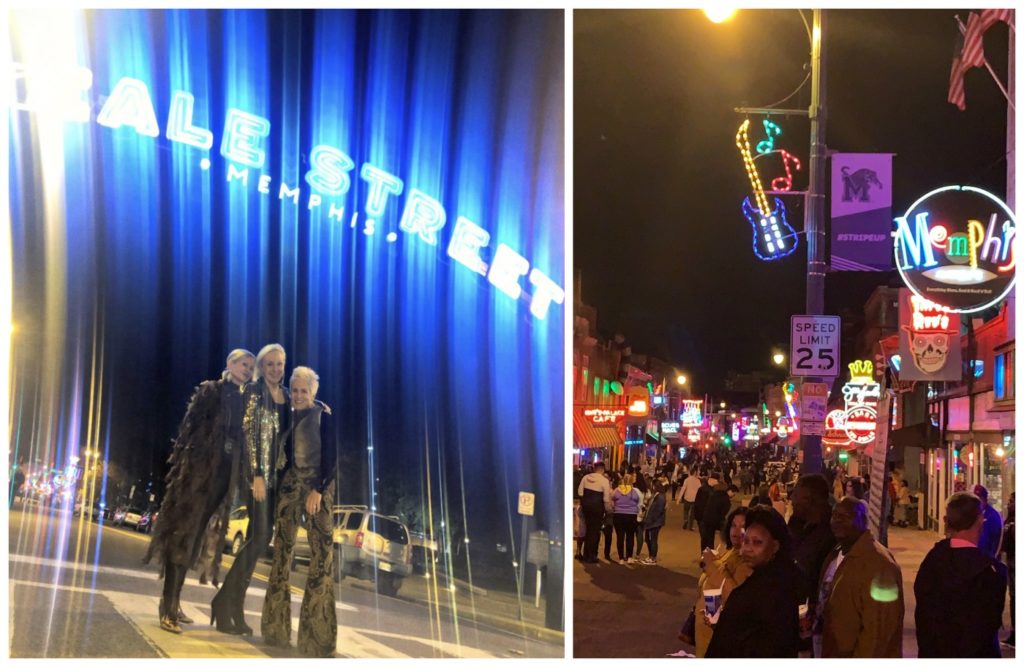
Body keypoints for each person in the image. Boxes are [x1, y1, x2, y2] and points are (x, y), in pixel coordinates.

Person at [143, 348, 255, 634]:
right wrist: (191, 469)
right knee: (183, 536)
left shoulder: (245, 399)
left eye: (251, 367)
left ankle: (176, 603)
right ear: (229, 363)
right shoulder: (211, 391)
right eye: (244, 364)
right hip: (197, 477)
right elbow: (189, 432)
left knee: (193, 542)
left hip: (221, 481)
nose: (248, 369)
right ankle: (166, 606)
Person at [213, 343, 290, 635]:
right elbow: (248, 431)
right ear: (261, 367)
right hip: (256, 475)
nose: (274, 369)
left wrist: (321, 406)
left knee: (261, 537)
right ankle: (224, 603)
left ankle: (232, 607)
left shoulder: (286, 396)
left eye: (279, 364)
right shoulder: (255, 391)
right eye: (269, 364)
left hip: (277, 478)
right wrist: (257, 473)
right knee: (258, 536)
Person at [261, 367, 338, 656]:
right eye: (294, 390)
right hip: (289, 488)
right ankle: (275, 629)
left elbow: (331, 456)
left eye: (303, 390)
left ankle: (317, 639)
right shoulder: (284, 417)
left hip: (318, 488)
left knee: (322, 558)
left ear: (313, 392)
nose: (298, 395)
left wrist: (318, 489)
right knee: (282, 553)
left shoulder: (324, 416)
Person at [915, 491, 1008, 657]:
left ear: (946, 521)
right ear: (980, 520)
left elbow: (924, 616)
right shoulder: (991, 572)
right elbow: (987, 629)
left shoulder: (932, 561)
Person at [704, 506, 802, 657]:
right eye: (746, 541)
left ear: (775, 546)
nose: (748, 549)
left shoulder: (774, 588)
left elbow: (770, 645)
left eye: (757, 543)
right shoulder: (762, 578)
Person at [814, 497, 904, 658]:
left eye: (846, 516)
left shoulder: (879, 564)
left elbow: (879, 632)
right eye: (835, 515)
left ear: (862, 520)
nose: (837, 521)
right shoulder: (837, 553)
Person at [686, 506, 751, 657]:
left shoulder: (747, 561)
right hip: (708, 627)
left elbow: (735, 596)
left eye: (743, 526)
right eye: (734, 525)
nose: (737, 531)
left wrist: (712, 564)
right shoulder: (730, 551)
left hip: (721, 638)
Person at [788, 473, 836, 639]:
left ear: (808, 499)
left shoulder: (831, 534)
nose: (791, 499)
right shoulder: (797, 525)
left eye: (795, 495)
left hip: (816, 625)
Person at [577, 461, 613, 563]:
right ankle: (591, 555)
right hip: (598, 508)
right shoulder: (604, 481)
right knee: (595, 531)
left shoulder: (585, 478)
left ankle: (585, 554)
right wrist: (608, 510)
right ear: (602, 470)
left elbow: (580, 492)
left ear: (594, 468)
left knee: (587, 529)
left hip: (586, 507)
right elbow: (606, 499)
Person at [611, 473, 642, 564]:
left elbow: (612, 499)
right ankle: (629, 557)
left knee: (620, 537)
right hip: (631, 516)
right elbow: (640, 502)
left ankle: (621, 558)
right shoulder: (634, 491)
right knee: (630, 536)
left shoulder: (617, 490)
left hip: (618, 515)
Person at [700, 473, 730, 552]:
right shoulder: (724, 497)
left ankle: (705, 557)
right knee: (710, 541)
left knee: (706, 541)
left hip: (706, 519)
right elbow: (723, 511)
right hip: (713, 521)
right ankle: (709, 558)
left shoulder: (713, 495)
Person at [1001, 492, 1015, 647]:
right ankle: (1014, 632)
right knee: (1013, 598)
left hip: (1015, 563)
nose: (1009, 504)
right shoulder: (1009, 519)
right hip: (1010, 561)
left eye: (1012, 501)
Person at [640, 480, 667, 565]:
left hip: (655, 522)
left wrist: (651, 520)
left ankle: (653, 557)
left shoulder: (660, 497)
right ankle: (651, 555)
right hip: (651, 521)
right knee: (648, 539)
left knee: (653, 540)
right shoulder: (656, 495)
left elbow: (658, 511)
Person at [974, 484, 1003, 558]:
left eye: (979, 498)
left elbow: (996, 542)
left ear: (984, 499)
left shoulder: (993, 516)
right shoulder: (974, 514)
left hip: (987, 559)